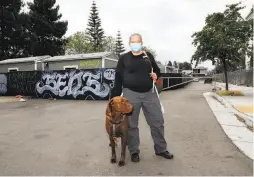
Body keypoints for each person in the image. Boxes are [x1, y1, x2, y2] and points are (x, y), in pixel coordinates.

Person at [110, 33, 174, 162]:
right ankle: (134, 151)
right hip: (130, 94)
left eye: (137, 42)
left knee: (157, 122)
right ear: (129, 43)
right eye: (133, 42)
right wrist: (114, 99)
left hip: (150, 93)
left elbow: (157, 71)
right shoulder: (123, 58)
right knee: (131, 125)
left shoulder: (147, 56)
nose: (135, 44)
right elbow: (118, 78)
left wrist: (156, 75)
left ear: (141, 43)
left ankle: (161, 149)